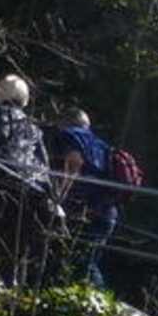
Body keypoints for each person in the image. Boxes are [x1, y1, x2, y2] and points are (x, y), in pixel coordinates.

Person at [0, 74, 54, 278]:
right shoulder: (33, 127)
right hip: (33, 189)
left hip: (1, 183)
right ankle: (11, 284)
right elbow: (44, 163)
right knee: (17, 246)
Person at [50, 107, 119, 289]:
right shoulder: (102, 145)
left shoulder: (70, 135)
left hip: (85, 211)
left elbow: (74, 164)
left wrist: (58, 198)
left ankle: (99, 298)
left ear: (65, 122)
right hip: (106, 211)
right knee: (87, 261)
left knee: (82, 264)